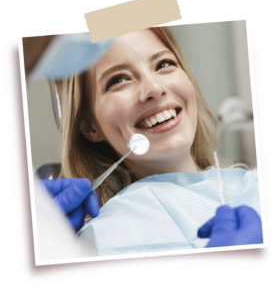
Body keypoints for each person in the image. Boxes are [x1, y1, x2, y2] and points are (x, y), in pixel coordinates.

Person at [41, 27, 263, 255]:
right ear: (90, 126)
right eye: (118, 80)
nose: (154, 89)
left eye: (164, 64)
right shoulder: (100, 240)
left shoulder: (259, 184)